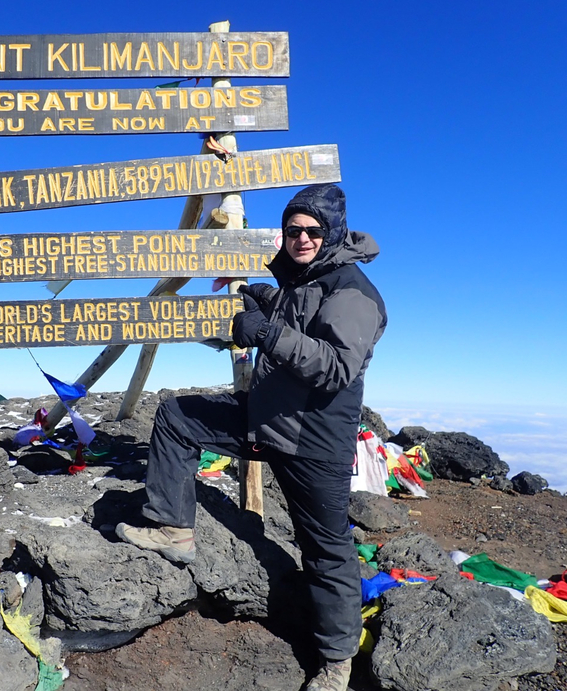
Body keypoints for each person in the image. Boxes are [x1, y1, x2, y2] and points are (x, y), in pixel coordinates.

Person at [116, 183, 386, 691]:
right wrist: (265, 299)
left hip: (313, 441)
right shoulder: (303, 279)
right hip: (265, 419)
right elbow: (296, 316)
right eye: (292, 229)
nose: (301, 238)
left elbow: (334, 366)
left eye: (312, 230)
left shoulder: (352, 292)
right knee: (176, 416)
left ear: (331, 233)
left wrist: (265, 332)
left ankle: (336, 663)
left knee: (326, 550)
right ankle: (174, 529)